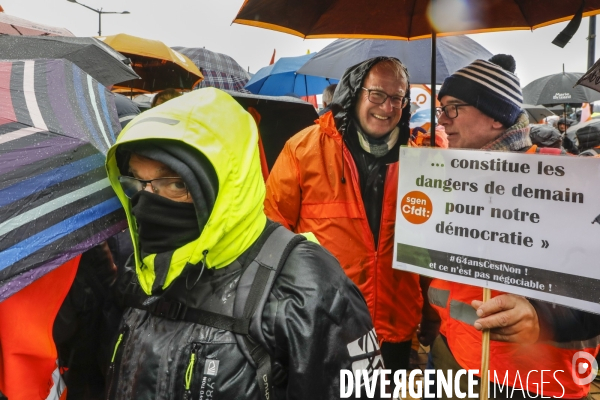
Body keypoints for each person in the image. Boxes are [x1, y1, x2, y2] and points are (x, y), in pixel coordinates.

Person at [104, 88, 381, 399]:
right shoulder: (142, 269)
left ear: (226, 185)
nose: (148, 203)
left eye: (177, 183)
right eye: (136, 183)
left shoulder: (308, 287)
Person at [426, 54, 600, 399]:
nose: (442, 120)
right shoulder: (445, 177)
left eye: (453, 107)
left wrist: (539, 316)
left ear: (495, 116)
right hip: (451, 357)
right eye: (440, 109)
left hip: (533, 379)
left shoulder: (571, 180)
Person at [264, 57, 423, 373]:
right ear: (353, 94)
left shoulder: (421, 158)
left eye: (397, 98)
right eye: (377, 94)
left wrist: (431, 320)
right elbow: (271, 233)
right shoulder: (302, 149)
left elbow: (430, 249)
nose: (387, 107)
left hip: (394, 326)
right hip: (323, 324)